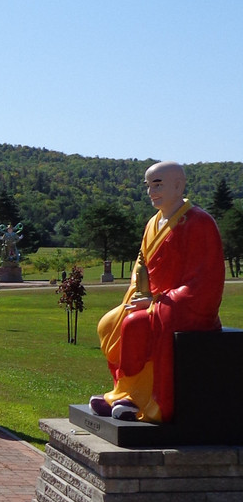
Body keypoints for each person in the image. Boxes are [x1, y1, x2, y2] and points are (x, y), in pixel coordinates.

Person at [91, 161, 224, 423]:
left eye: (158, 184)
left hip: (183, 306)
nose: (152, 191)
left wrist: (155, 304)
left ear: (178, 185)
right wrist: (140, 296)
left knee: (135, 325)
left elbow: (206, 282)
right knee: (108, 324)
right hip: (152, 299)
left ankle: (143, 400)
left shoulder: (198, 222)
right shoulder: (153, 223)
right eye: (149, 185)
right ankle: (123, 390)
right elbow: (141, 268)